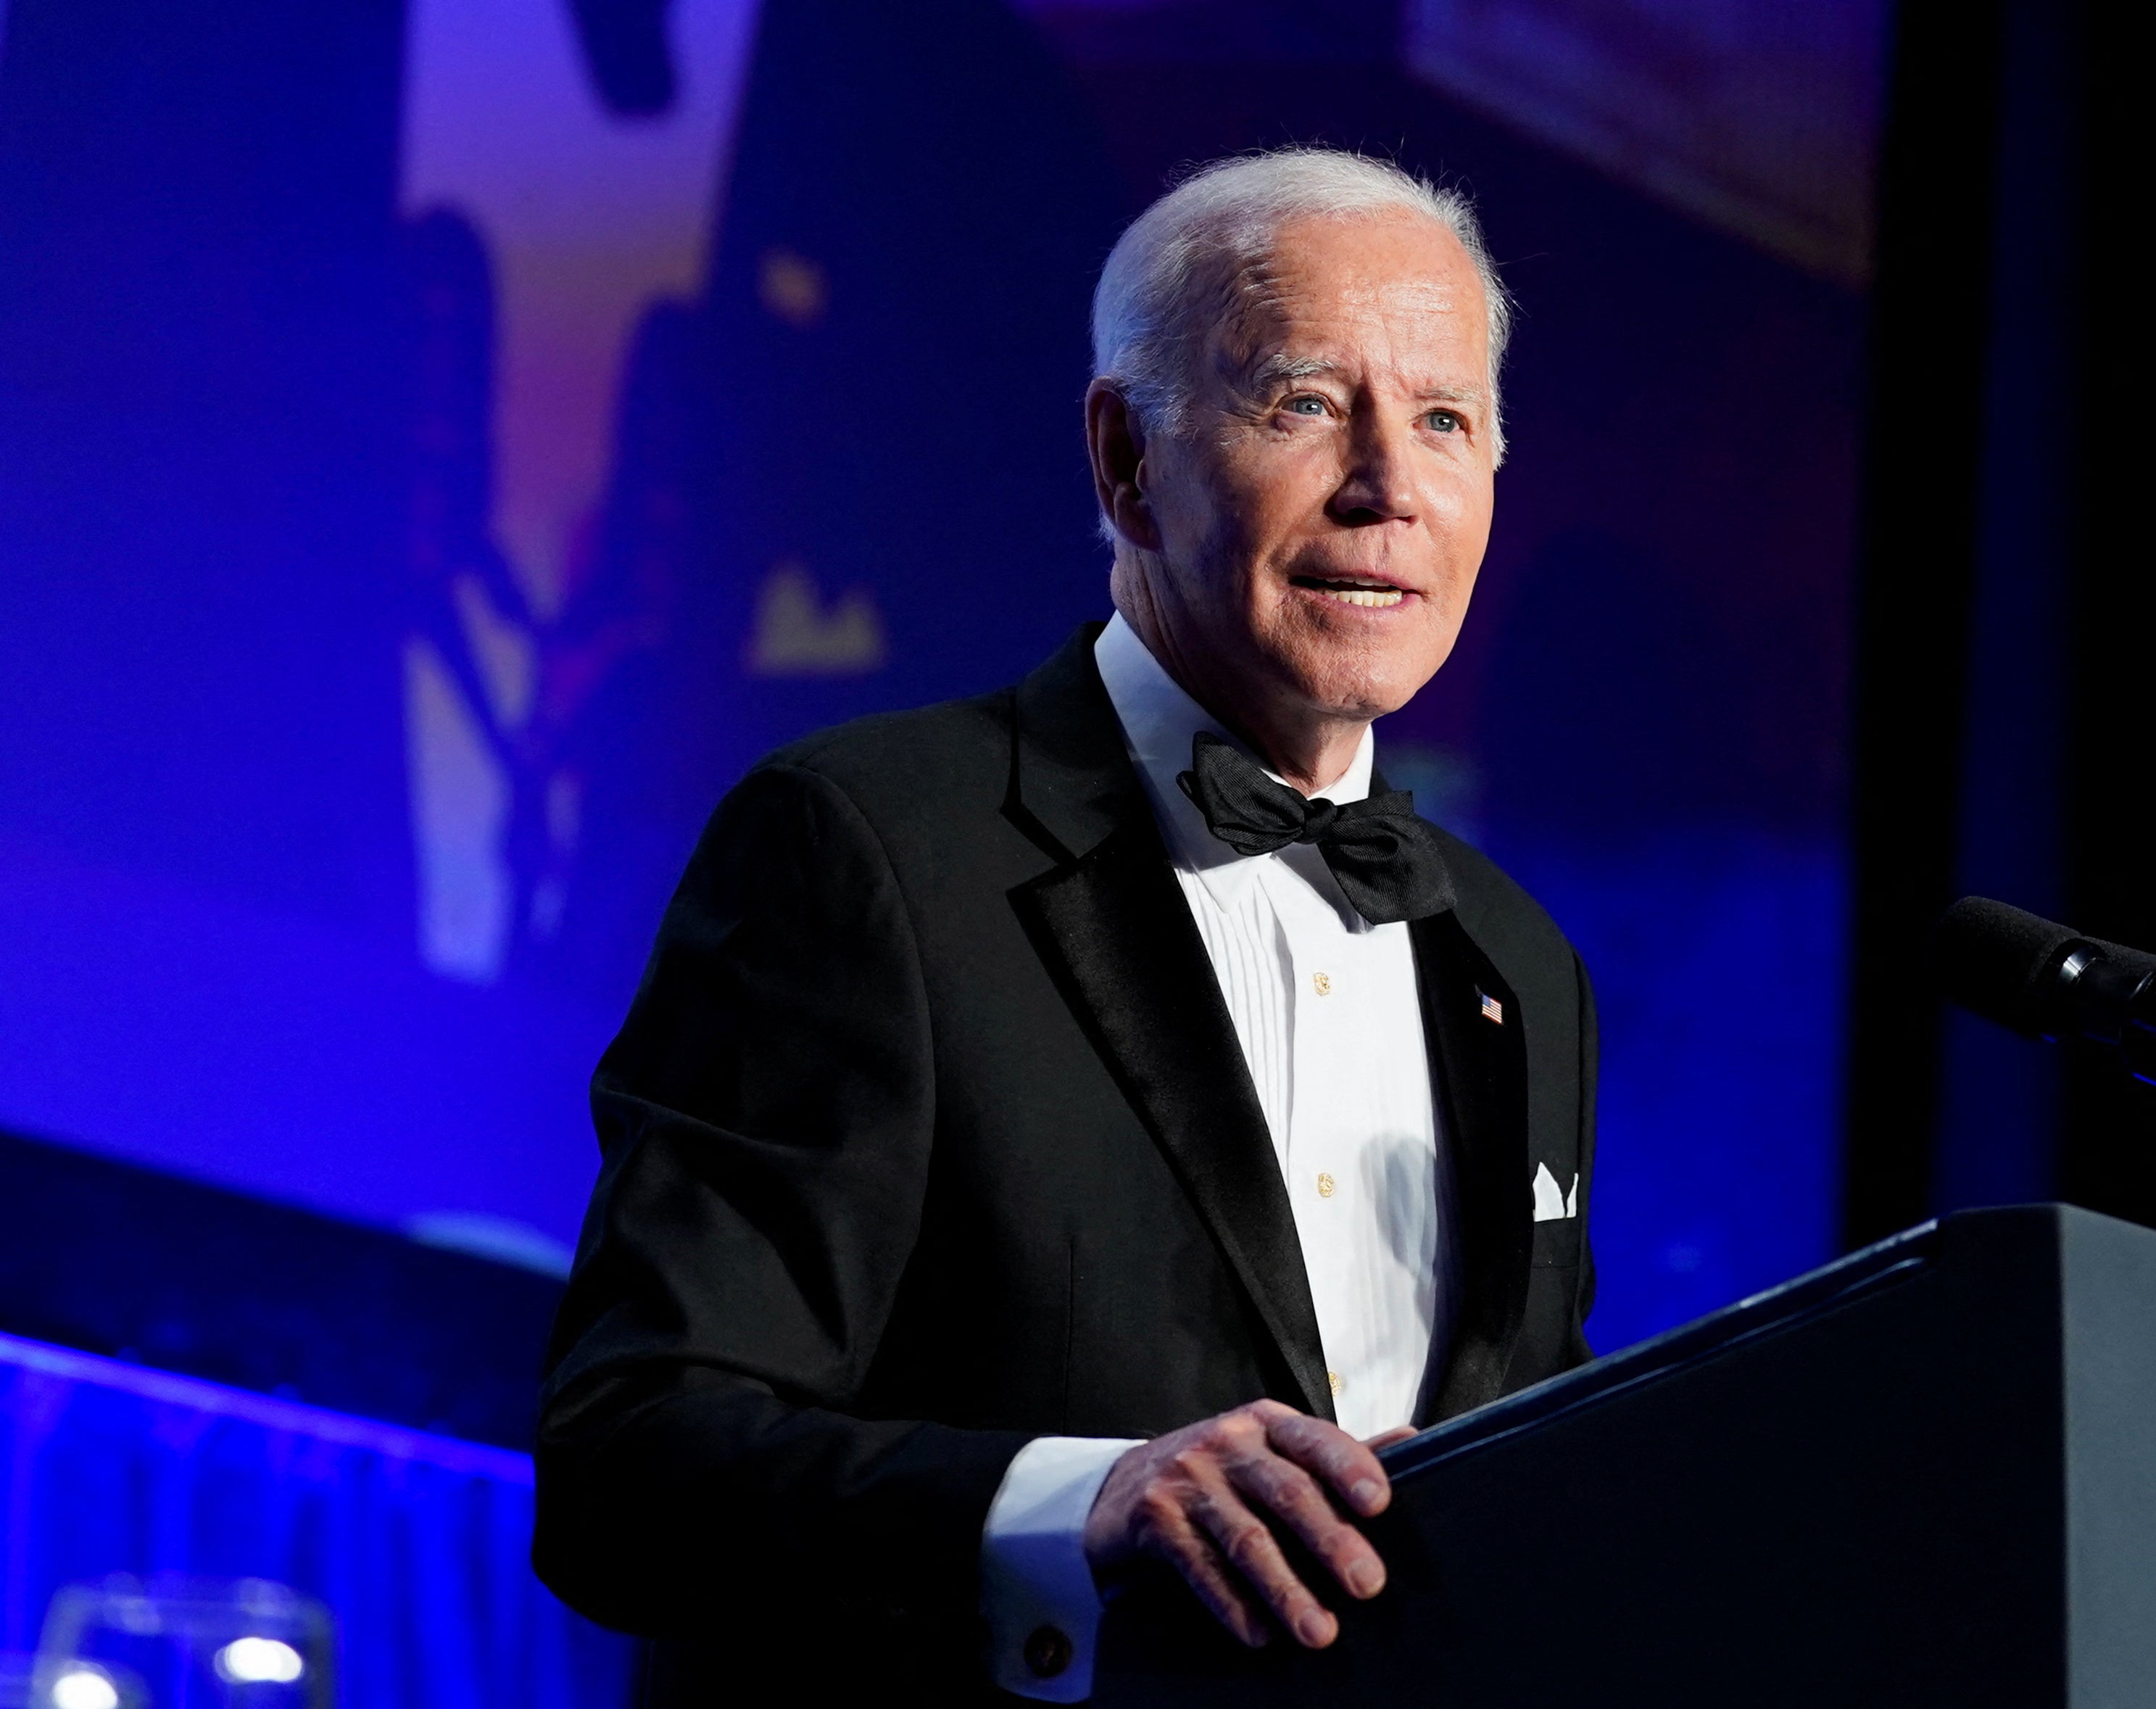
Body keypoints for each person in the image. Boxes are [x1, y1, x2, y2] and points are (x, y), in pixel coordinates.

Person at [533, 148, 1598, 1705]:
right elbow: (630, 1469)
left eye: (1442, 419)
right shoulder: (871, 849)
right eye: (1306, 402)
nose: (1387, 485)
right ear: (1122, 458)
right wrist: (1071, 1505)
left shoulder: (1519, 964)